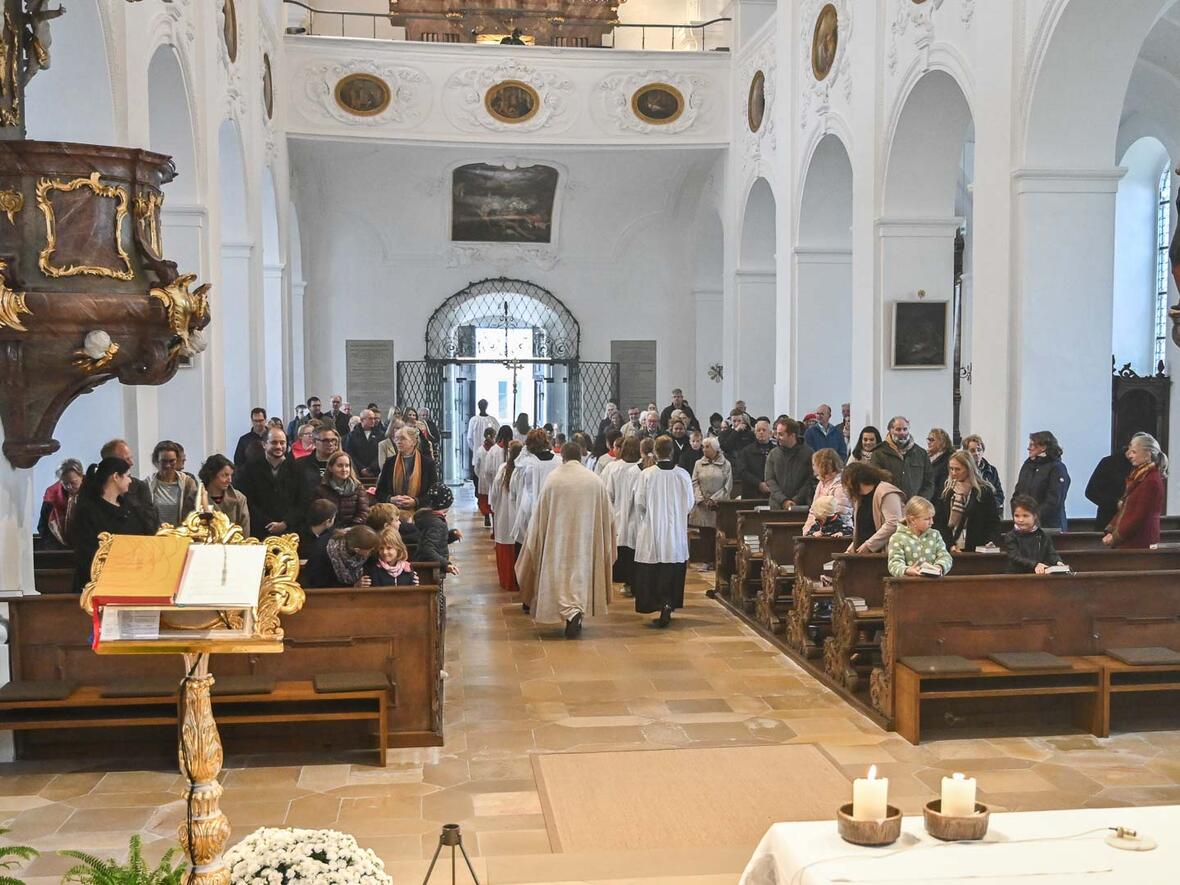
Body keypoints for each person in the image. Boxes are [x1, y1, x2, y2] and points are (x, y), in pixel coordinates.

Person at [516, 442, 615, 639]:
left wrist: (535, 536)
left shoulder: (553, 480)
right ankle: (576, 610)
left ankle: (567, 611)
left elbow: (539, 514)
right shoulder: (594, 481)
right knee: (581, 574)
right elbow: (609, 517)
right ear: (581, 457)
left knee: (559, 577)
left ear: (563, 457)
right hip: (586, 541)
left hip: (557, 541)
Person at [631, 436, 694, 627]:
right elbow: (690, 503)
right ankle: (668, 603)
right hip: (675, 532)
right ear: (672, 452)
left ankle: (656, 603)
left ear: (656, 453)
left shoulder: (647, 474)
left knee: (653, 568)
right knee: (671, 567)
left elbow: (640, 503)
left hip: (652, 530)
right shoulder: (682, 474)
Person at [69, 457, 154, 592]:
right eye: (127, 476)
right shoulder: (88, 511)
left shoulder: (131, 509)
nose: (130, 480)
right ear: (115, 477)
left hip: (131, 581)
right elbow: (87, 553)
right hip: (99, 584)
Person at [237, 428, 303, 540]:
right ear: (264, 444)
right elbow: (247, 500)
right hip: (259, 530)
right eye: (274, 442)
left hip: (290, 531)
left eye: (282, 443)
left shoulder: (297, 469)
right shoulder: (249, 469)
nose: (279, 446)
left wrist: (285, 523)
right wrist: (268, 523)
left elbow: (302, 500)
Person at [1104, 432, 1168, 549]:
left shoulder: (1151, 480)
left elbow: (1138, 515)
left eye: (1134, 452)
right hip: (1133, 539)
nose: (1130, 455)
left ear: (1148, 455)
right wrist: (1111, 530)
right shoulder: (1140, 476)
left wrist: (1116, 536)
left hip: (1141, 540)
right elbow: (1126, 507)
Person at [934, 450, 1000, 551]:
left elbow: (993, 522)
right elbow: (940, 523)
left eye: (958, 469)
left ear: (969, 469)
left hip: (977, 547)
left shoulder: (983, 492)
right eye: (951, 469)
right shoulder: (947, 491)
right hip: (951, 546)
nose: (953, 473)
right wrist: (950, 544)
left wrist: (991, 541)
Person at [602, 437, 644, 596]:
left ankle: (625, 582)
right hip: (637, 516)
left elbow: (608, 493)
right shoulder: (642, 468)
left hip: (618, 513)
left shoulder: (613, 468)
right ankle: (634, 583)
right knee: (635, 550)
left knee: (622, 549)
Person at [509, 428, 561, 551]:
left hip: (529, 511)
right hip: (553, 512)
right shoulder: (559, 462)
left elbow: (513, 490)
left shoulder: (525, 463)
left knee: (525, 554)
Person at [1012, 430, 1070, 530]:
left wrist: (1033, 516)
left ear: (1043, 447)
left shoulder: (1057, 468)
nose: (1028, 448)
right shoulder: (1028, 465)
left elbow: (1054, 500)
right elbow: (1018, 492)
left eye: (1032, 445)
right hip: (1024, 525)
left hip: (1049, 526)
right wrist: (1018, 514)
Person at [843, 462, 905, 554]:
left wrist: (869, 545)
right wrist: (850, 550)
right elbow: (861, 530)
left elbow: (893, 523)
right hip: (865, 554)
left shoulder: (886, 492)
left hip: (886, 554)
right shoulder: (859, 498)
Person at [98, 439, 160, 532]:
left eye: (131, 458)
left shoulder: (139, 487)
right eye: (127, 459)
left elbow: (151, 524)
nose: (132, 463)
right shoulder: (95, 489)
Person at [488, 441, 524, 591]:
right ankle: (520, 581)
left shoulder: (503, 469)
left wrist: (495, 509)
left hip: (503, 515)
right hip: (519, 516)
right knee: (519, 550)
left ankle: (507, 581)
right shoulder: (523, 470)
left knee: (505, 550)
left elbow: (495, 493)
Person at [887, 497, 953, 578]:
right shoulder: (897, 538)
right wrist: (907, 570)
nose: (932, 522)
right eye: (927, 519)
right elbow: (894, 563)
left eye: (932, 518)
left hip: (933, 584)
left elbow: (945, 556)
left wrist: (939, 567)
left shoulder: (935, 535)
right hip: (908, 585)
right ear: (912, 520)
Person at [871, 416, 934, 500]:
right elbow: (875, 481)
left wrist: (921, 500)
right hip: (889, 504)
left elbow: (929, 483)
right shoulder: (879, 453)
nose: (902, 433)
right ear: (890, 430)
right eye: (898, 429)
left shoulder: (921, 453)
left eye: (905, 429)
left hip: (915, 507)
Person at [376, 425, 438, 509]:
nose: (398, 442)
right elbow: (380, 491)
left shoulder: (427, 463)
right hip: (394, 510)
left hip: (420, 510)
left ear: (413, 442)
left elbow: (433, 492)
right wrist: (391, 499)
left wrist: (416, 502)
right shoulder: (390, 462)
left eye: (403, 438)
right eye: (396, 438)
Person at [303, 524, 379, 588]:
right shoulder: (322, 555)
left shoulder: (360, 542)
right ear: (357, 550)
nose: (373, 552)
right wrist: (353, 586)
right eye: (370, 550)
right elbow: (320, 585)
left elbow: (371, 565)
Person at [689, 437, 731, 552]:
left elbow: (727, 486)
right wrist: (701, 499)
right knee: (705, 534)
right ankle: (706, 560)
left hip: (718, 505)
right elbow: (694, 482)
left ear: (715, 448)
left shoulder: (726, 464)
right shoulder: (698, 464)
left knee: (717, 533)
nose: (704, 449)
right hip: (702, 505)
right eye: (703, 447)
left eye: (707, 447)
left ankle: (717, 560)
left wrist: (713, 499)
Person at [1004, 494, 1065, 574]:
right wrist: (1035, 564)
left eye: (1025, 516)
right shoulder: (1011, 536)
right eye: (1017, 516)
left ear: (1035, 516)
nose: (1020, 520)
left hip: (1038, 574)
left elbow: (1051, 553)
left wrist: (1058, 562)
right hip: (1017, 576)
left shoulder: (1043, 535)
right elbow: (1015, 557)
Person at [765, 418, 816, 510]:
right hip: (777, 505)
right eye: (776, 433)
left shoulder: (808, 453)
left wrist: (796, 499)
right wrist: (783, 500)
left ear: (792, 435)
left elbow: (810, 480)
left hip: (801, 505)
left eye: (781, 434)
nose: (777, 437)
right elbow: (769, 479)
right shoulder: (773, 454)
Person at [147, 441, 198, 528]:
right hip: (155, 537)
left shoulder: (188, 483)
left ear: (177, 460)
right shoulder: (147, 484)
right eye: (164, 461)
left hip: (181, 535)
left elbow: (195, 512)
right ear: (156, 461)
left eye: (172, 461)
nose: (168, 465)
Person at [801, 448, 852, 534]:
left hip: (837, 531)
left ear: (822, 465)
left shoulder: (840, 485)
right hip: (819, 528)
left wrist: (824, 530)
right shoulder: (821, 483)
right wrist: (807, 529)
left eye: (814, 464)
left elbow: (841, 512)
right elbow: (814, 509)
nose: (813, 467)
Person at [314, 450, 370, 527]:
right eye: (340, 466)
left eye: (347, 466)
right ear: (330, 468)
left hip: (353, 530)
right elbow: (319, 515)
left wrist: (350, 529)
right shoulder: (322, 489)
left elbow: (363, 512)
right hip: (328, 530)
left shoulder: (358, 488)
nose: (344, 469)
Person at [198, 454, 250, 536]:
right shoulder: (196, 497)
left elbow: (244, 529)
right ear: (212, 474)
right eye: (225, 475)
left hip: (234, 546)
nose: (230, 480)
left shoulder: (239, 498)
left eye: (231, 475)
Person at [414, 484, 460, 577]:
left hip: (427, 565)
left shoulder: (425, 515)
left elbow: (435, 540)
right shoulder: (436, 523)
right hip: (430, 569)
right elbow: (428, 549)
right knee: (438, 591)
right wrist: (445, 564)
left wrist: (452, 535)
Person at [38, 458, 83, 548]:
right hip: (57, 545)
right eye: (65, 483)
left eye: (73, 482)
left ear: (81, 476)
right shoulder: (52, 494)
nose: (69, 487)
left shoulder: (93, 491)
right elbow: (43, 525)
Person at [1085, 444, 1132, 529]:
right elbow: (1091, 492)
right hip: (1108, 520)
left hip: (1132, 523)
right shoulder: (1109, 463)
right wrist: (1115, 503)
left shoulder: (1143, 468)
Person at [962, 434, 1005, 518]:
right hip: (969, 515)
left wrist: (989, 506)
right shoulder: (963, 470)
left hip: (989, 514)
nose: (977, 453)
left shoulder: (992, 470)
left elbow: (999, 494)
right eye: (972, 450)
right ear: (966, 452)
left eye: (979, 450)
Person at [296, 425, 341, 499]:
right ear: (314, 442)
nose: (330, 444)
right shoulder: (300, 464)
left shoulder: (343, 463)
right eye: (325, 440)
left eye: (333, 440)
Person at [734, 418, 774, 498]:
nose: (761, 432)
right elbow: (742, 471)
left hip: (773, 492)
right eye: (758, 430)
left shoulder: (776, 451)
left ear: (770, 433)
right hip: (751, 492)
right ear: (755, 433)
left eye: (764, 430)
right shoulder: (746, 451)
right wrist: (758, 483)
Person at [344, 409, 383, 477]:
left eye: (374, 418)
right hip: (357, 472)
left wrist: (371, 468)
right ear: (362, 420)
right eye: (370, 419)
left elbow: (381, 453)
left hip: (375, 472)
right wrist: (361, 468)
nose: (373, 421)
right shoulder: (352, 435)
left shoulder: (380, 434)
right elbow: (349, 453)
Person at [466, 399, 501, 471]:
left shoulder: (474, 420)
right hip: (491, 452)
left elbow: (469, 438)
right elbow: (498, 435)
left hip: (479, 451)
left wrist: (475, 449)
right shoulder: (492, 420)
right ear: (486, 406)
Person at [926, 427, 953, 496]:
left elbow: (943, 485)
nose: (928, 442)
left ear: (941, 441)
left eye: (932, 440)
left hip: (938, 498)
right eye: (928, 439)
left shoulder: (949, 459)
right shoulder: (926, 457)